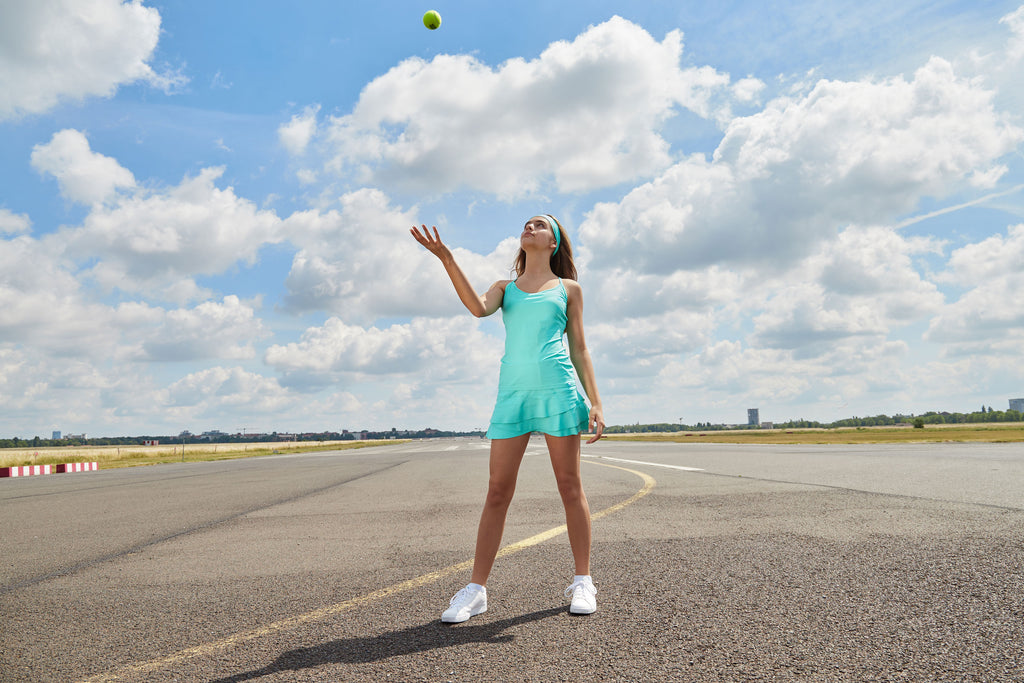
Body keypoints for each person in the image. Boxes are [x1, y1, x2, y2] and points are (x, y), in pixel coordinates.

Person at [411, 215, 605, 623]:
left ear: (552, 242)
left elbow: (580, 348)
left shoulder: (569, 289)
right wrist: (446, 258)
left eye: (538, 225)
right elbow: (477, 309)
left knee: (570, 487)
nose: (529, 228)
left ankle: (583, 580)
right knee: (497, 490)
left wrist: (596, 402)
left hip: (558, 390)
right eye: (526, 224)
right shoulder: (506, 288)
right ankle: (476, 590)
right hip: (513, 395)